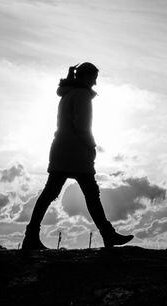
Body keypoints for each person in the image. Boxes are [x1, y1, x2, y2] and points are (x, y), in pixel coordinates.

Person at [22, 62, 133, 250]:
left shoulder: (68, 94)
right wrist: (91, 145)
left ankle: (31, 236)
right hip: (76, 152)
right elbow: (82, 126)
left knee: (51, 193)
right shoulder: (81, 95)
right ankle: (108, 235)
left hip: (62, 150)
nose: (95, 83)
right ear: (85, 77)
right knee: (91, 195)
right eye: (93, 79)